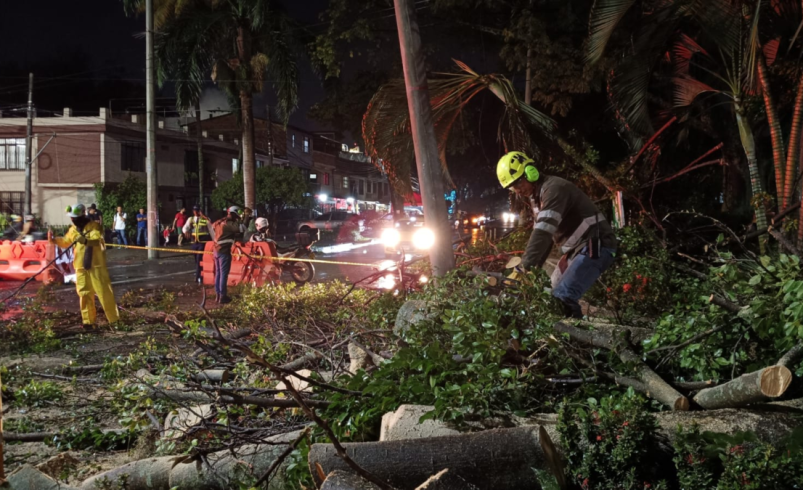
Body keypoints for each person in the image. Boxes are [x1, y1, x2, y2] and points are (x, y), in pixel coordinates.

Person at [497, 151, 617, 318]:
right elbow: (544, 238)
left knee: (563, 298)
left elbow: (543, 232)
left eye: (518, 183)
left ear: (530, 172)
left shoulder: (554, 189)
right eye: (512, 187)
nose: (517, 191)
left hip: (596, 245)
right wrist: (532, 270)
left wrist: (525, 266)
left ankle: (575, 340)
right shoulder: (537, 198)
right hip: (576, 251)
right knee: (549, 293)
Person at [49, 204, 119, 326]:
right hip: (81, 266)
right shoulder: (73, 230)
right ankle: (88, 322)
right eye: (71, 218)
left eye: (75, 218)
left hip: (96, 265)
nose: (73, 220)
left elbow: (96, 240)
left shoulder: (94, 226)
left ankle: (114, 320)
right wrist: (54, 240)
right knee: (84, 293)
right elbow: (66, 242)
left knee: (104, 293)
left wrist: (85, 241)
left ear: (82, 215)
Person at [211, 206, 250, 304]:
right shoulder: (228, 224)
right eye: (237, 215)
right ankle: (223, 297)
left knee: (219, 274)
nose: (238, 218)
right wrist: (247, 215)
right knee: (223, 275)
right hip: (223, 252)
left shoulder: (220, 222)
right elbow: (242, 228)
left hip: (216, 251)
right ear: (233, 214)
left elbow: (213, 227)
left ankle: (218, 295)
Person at [183, 205, 211, 283]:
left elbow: (211, 229)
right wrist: (186, 231)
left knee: (199, 258)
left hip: (202, 243)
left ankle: (198, 276)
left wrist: (215, 240)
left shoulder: (205, 219)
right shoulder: (190, 219)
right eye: (194, 210)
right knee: (196, 260)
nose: (195, 212)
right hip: (194, 243)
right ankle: (199, 273)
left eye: (197, 210)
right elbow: (185, 227)